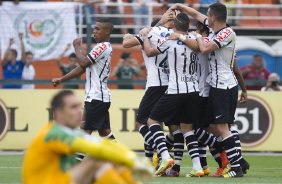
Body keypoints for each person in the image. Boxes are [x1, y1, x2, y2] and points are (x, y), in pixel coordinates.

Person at [170, 2, 243, 178]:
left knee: (222, 128)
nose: (204, 17)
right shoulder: (213, 30)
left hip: (223, 86)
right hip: (216, 86)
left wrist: (182, 37)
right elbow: (195, 14)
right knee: (210, 126)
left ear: (213, 17)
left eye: (207, 14)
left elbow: (204, 48)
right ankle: (232, 159)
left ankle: (237, 167)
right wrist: (180, 5)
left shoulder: (226, 33)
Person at [22, 90, 153, 184]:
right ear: (58, 112)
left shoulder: (69, 132)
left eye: (80, 107)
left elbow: (103, 145)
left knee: (105, 161)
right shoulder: (53, 133)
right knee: (98, 161)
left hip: (62, 180)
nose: (80, 111)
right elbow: (97, 148)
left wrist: (129, 158)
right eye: (73, 107)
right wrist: (132, 160)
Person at [143, 12, 204, 177]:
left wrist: (145, 37)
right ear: (187, 25)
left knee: (152, 120)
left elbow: (149, 52)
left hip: (175, 90)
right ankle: (197, 167)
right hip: (193, 90)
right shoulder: (195, 37)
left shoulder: (169, 39)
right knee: (187, 129)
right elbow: (199, 47)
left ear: (175, 26)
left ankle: (164, 157)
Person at [123, 11, 181, 176]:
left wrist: (131, 34)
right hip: (171, 85)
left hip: (155, 84)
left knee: (141, 122)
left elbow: (126, 44)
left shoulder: (151, 32)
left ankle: (163, 155)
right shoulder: (174, 35)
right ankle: (171, 164)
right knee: (164, 126)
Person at [52, 18, 116, 140]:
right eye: (94, 28)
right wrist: (62, 79)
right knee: (104, 132)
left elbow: (83, 63)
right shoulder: (101, 47)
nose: (94, 31)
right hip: (99, 97)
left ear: (107, 31)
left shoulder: (102, 46)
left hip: (97, 97)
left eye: (98, 29)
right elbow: (82, 68)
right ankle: (122, 158)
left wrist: (76, 47)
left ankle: (76, 159)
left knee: (84, 131)